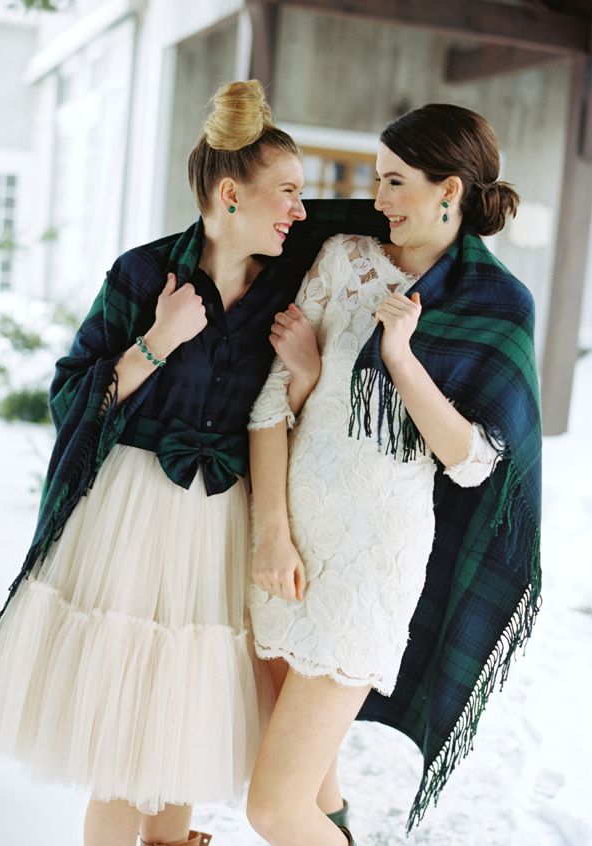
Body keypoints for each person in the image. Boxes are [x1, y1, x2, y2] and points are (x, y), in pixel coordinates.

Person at [0, 80, 322, 846]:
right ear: (230, 194)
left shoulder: (288, 290)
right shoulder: (145, 272)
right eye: (288, 192)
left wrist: (303, 374)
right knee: (124, 754)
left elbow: (282, 416)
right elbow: (72, 396)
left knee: (180, 745)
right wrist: (158, 340)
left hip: (219, 525)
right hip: (132, 517)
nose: (300, 211)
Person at [244, 104, 542, 846]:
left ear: (449, 190)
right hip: (289, 545)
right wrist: (272, 533)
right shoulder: (343, 258)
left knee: (272, 809)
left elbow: (471, 462)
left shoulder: (497, 304)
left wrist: (401, 356)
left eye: (394, 182)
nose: (377, 200)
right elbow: (269, 405)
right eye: (377, 180)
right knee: (310, 787)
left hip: (370, 564)